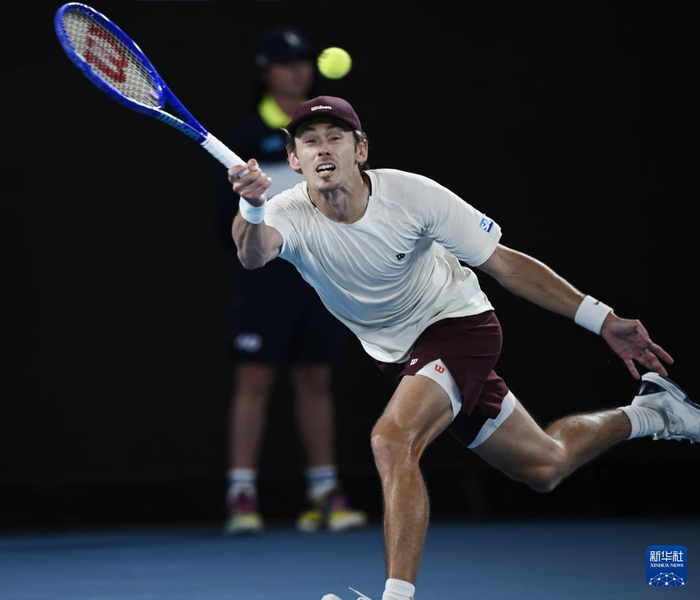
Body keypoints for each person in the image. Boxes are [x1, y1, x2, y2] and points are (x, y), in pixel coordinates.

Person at [228, 95, 697, 600]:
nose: (323, 149)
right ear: (294, 159)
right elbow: (253, 255)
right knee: (546, 465)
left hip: (459, 326)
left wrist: (601, 318)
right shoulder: (284, 211)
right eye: (310, 141)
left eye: (335, 138)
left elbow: (506, 265)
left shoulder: (413, 196)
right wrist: (251, 206)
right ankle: (655, 413)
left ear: (360, 150)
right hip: (401, 357)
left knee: (392, 440)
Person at [222, 31, 367, 535]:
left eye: (303, 61)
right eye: (285, 63)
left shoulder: (323, 133)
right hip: (266, 277)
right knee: (254, 379)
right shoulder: (245, 135)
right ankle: (241, 494)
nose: (297, 70)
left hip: (319, 272)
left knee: (316, 378)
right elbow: (226, 221)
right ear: (267, 71)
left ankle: (324, 492)